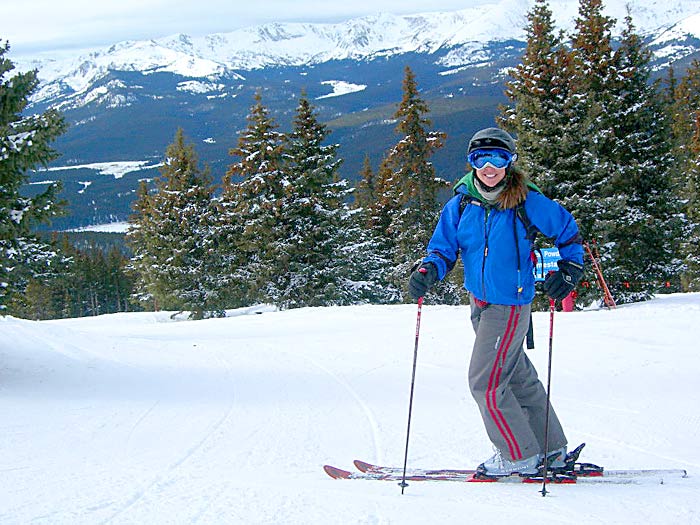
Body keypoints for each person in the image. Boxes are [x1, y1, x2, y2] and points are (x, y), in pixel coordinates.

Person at [407, 127, 584, 477]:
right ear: (471, 162)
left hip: (509, 304)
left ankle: (517, 455)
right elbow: (443, 247)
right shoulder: (461, 201)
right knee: (516, 376)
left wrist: (569, 270)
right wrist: (430, 268)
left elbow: (567, 231)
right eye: (480, 158)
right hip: (480, 302)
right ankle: (551, 449)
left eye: (498, 158)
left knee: (484, 382)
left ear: (510, 161)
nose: (489, 166)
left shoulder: (526, 200)